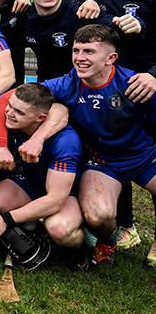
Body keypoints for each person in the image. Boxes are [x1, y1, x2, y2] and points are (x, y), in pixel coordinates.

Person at [22, 25, 156, 267]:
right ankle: (106, 240)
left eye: (89, 52)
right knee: (98, 215)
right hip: (101, 163)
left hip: (143, 157)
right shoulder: (67, 83)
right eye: (76, 50)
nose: (80, 58)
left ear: (111, 58)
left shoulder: (133, 83)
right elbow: (21, 97)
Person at [0, 84, 89, 270]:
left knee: (61, 229)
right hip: (29, 183)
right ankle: (31, 235)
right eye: (10, 106)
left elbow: (55, 200)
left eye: (19, 112)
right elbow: (1, 103)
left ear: (40, 118)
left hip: (65, 194)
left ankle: (80, 247)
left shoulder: (65, 142)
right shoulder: (14, 121)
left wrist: (6, 219)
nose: (9, 113)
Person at [10, 0, 140, 82]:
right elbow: (14, 56)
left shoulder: (82, 12)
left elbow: (121, 30)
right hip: (50, 87)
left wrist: (137, 25)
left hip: (88, 87)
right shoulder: (24, 18)